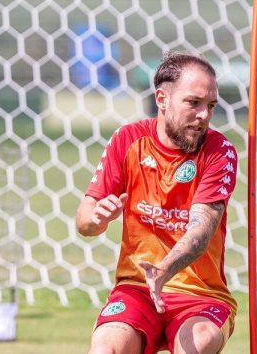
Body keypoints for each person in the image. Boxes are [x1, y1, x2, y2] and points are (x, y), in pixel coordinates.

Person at [75, 51, 239, 354]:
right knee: (107, 349)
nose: (204, 115)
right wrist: (97, 219)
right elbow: (84, 220)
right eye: (194, 103)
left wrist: (164, 269)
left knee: (197, 344)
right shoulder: (127, 140)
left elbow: (200, 233)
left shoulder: (219, 151)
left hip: (200, 294)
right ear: (162, 99)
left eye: (211, 106)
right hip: (136, 289)